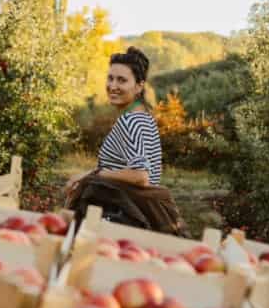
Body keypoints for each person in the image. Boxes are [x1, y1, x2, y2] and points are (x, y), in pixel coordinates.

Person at [64, 47, 184, 235]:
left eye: (122, 80)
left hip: (123, 219)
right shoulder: (142, 117)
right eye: (110, 78)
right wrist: (89, 174)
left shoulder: (132, 121)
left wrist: (96, 175)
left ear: (139, 86)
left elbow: (141, 176)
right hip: (134, 214)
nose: (113, 86)